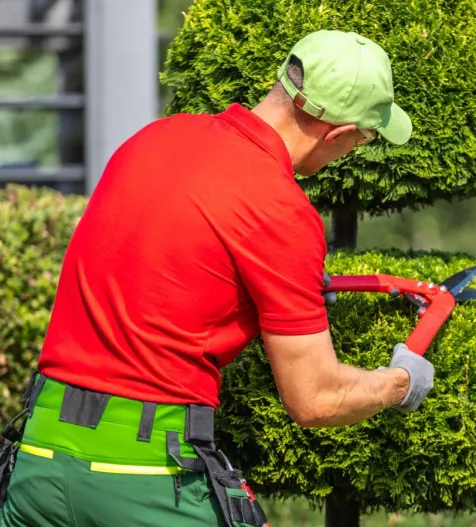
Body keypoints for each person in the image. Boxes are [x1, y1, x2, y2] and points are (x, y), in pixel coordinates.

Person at [0, 29, 434, 527]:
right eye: (365, 136)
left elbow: (166, 266)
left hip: (38, 460)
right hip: (143, 475)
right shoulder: (280, 209)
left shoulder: (153, 138)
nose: (357, 148)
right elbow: (316, 398)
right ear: (336, 134)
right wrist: (401, 382)